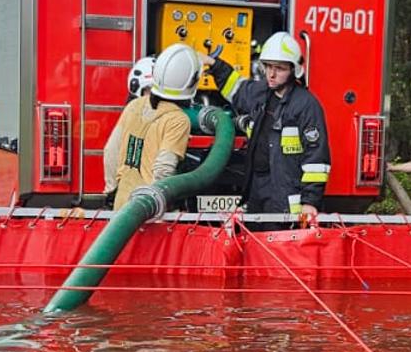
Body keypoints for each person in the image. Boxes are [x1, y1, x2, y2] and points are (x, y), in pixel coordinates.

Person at [204, 32, 331, 218]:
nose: (271, 74)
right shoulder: (262, 92)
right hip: (256, 188)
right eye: (268, 66)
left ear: (293, 69)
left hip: (283, 195)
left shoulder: (306, 105)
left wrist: (310, 202)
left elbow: (316, 159)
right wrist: (214, 64)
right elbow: (236, 89)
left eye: (279, 68)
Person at [102, 44, 199, 210]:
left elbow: (110, 151)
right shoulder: (178, 120)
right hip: (148, 212)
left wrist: (112, 192)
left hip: (122, 205)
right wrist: (157, 207)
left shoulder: (134, 106)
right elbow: (163, 171)